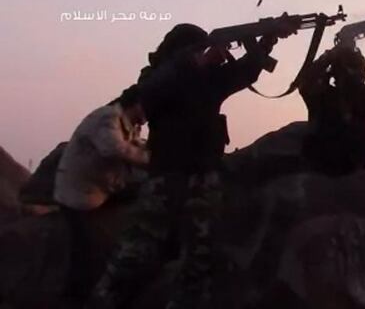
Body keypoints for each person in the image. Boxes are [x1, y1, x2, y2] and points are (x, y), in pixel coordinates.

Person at [86, 22, 294, 309]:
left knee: (200, 259)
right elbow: (150, 94)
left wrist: (266, 41)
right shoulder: (159, 76)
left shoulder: (208, 79)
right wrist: (195, 62)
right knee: (135, 255)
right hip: (166, 176)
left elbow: (244, 71)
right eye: (198, 49)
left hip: (202, 178)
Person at [54, 85, 149, 307]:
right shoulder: (108, 117)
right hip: (78, 196)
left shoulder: (129, 126)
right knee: (86, 257)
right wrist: (150, 160)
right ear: (137, 103)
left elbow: (135, 147)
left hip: (100, 192)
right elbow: (113, 148)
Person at [298, 22, 365, 176]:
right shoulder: (326, 96)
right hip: (327, 165)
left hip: (344, 166)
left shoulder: (324, 95)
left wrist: (331, 55)